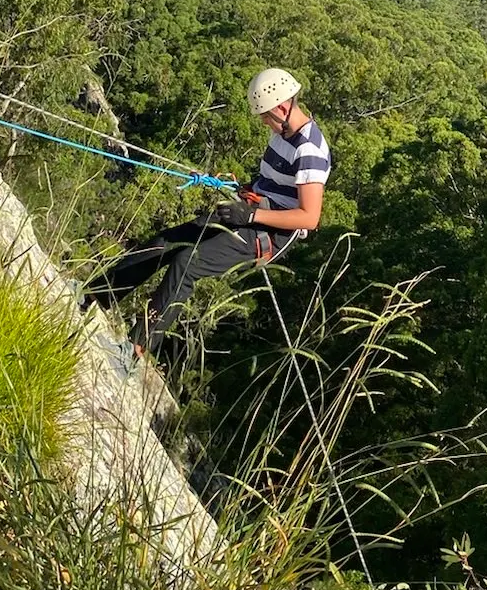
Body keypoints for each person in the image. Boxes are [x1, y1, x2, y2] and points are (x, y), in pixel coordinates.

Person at [87, 67, 331, 366]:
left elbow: (309, 218)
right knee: (167, 241)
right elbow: (272, 183)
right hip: (253, 211)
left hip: (270, 233)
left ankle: (134, 350)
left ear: (282, 107)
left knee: (186, 263)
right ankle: (96, 296)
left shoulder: (309, 150)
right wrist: (247, 192)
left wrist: (251, 215)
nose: (265, 122)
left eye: (266, 116)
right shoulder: (282, 134)